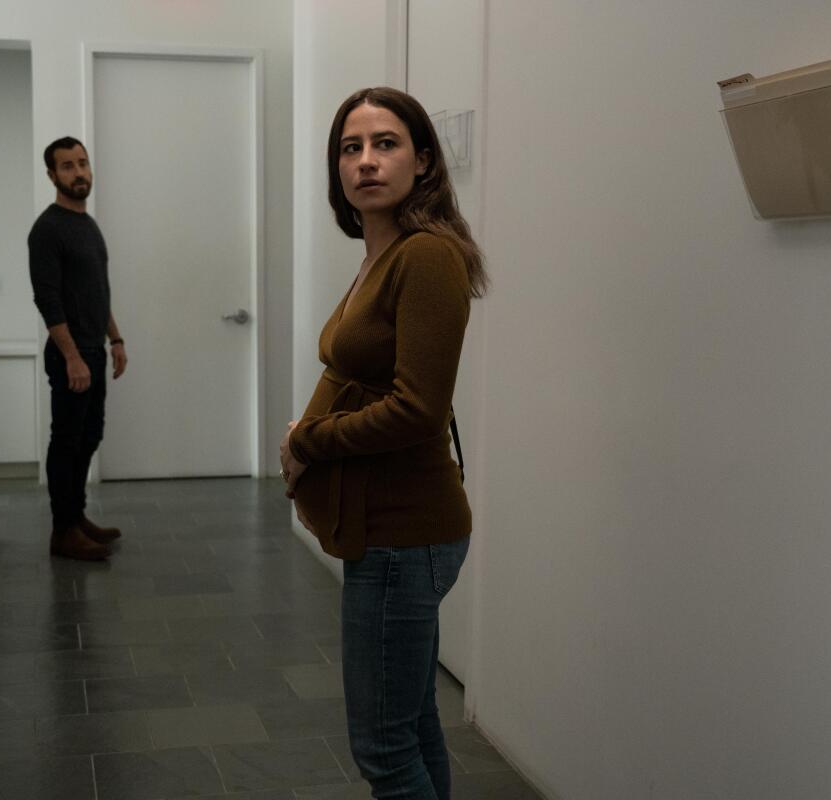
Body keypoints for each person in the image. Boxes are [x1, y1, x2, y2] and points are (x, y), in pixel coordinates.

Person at [280, 87, 487, 800]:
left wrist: (311, 440)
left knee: (382, 747)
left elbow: (417, 411)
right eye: (351, 147)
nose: (366, 160)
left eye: (387, 143)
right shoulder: (384, 253)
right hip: (390, 531)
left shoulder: (426, 256)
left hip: (405, 532)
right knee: (413, 724)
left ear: (423, 159)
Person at [28, 136, 128, 561]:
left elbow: (97, 292)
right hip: (71, 354)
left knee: (90, 435)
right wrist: (72, 357)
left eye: (83, 163)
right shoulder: (47, 229)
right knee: (67, 441)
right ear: (52, 175)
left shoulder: (88, 224)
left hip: (93, 349)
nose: (79, 172)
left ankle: (76, 517)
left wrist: (115, 338)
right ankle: (62, 530)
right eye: (67, 166)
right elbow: (47, 300)